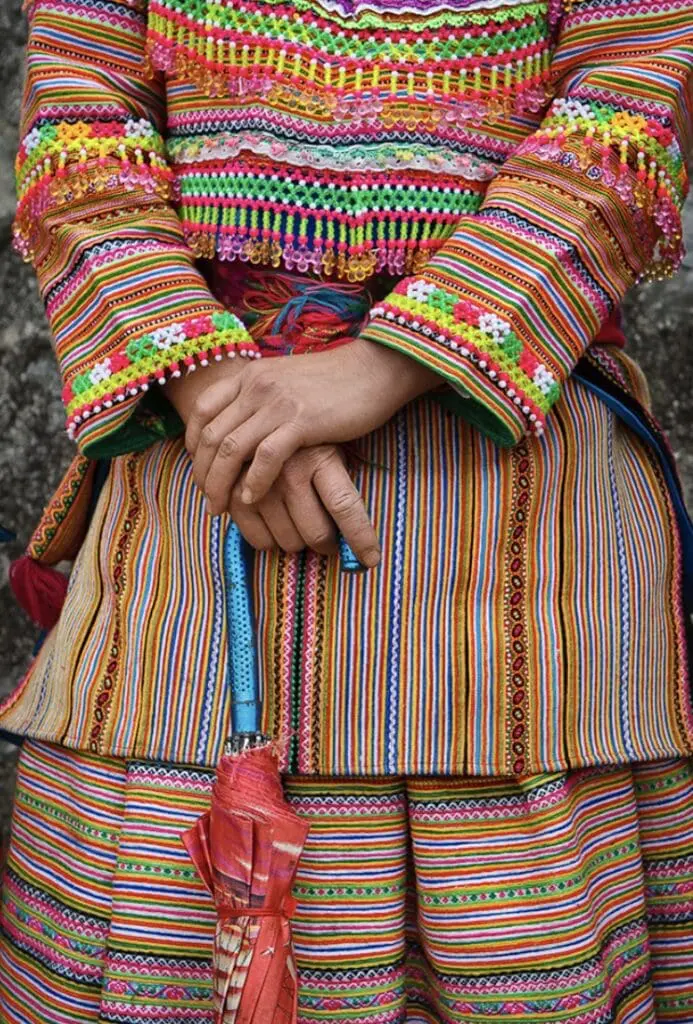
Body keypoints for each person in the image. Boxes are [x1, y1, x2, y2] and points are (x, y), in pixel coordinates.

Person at [1, 0, 692, 1019]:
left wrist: (384, 367)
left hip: (519, 532)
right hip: (197, 496)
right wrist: (216, 394)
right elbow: (79, 127)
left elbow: (630, 103)